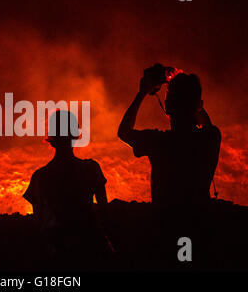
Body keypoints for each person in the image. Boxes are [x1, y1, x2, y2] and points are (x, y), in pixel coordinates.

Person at [117, 64, 221, 268]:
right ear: (199, 103)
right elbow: (205, 121)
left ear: (167, 106)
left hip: (166, 228)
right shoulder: (211, 138)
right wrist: (187, 92)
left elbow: (124, 131)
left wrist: (142, 93)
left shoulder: (160, 142)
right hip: (200, 226)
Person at [23, 110, 111, 270]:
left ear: (52, 138)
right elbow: (105, 212)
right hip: (89, 248)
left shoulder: (40, 177)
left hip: (58, 251)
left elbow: (38, 222)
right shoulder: (91, 168)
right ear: (75, 135)